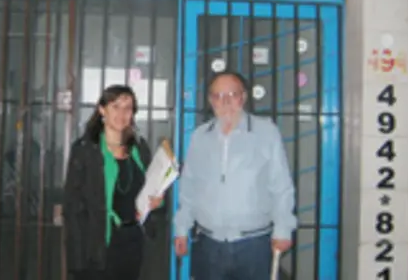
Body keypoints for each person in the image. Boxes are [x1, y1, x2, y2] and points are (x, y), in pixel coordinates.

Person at [173, 71, 297, 279]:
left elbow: (281, 186)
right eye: (218, 96)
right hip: (209, 245)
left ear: (243, 97)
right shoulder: (200, 137)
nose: (225, 102)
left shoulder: (266, 132)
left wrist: (283, 228)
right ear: (211, 100)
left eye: (232, 94)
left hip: (254, 245)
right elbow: (189, 187)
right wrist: (181, 228)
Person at [63, 84, 164, 280]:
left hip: (134, 239)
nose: (122, 113)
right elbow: (72, 206)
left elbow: (152, 186)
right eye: (115, 106)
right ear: (102, 110)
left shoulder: (140, 148)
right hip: (99, 243)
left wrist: (156, 201)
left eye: (128, 108)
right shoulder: (86, 150)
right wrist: (77, 258)